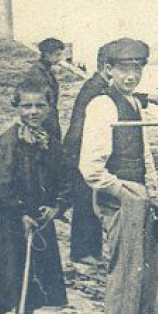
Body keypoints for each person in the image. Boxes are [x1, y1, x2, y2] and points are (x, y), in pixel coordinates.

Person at [79, 37, 158, 314]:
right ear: (107, 70)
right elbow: (91, 168)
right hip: (120, 199)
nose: (132, 75)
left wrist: (154, 193)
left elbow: (145, 154)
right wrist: (125, 192)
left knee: (148, 271)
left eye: (137, 68)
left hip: (141, 197)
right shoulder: (103, 105)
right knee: (125, 273)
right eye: (124, 68)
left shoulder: (134, 104)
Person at [0, 78, 67, 314]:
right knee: (4, 282)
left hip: (38, 222)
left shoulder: (49, 141)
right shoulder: (6, 142)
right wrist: (20, 213)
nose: (33, 111)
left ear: (49, 107)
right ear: (16, 106)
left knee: (32, 281)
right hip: (7, 224)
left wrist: (56, 206)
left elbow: (63, 179)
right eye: (27, 105)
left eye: (40, 105)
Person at [62, 53, 114, 265]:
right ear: (107, 67)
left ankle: (91, 251)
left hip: (79, 148)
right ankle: (84, 252)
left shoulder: (95, 85)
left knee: (88, 202)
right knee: (86, 204)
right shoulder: (97, 89)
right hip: (81, 149)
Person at [25, 37, 68, 148]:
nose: (60, 58)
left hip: (50, 120)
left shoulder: (46, 71)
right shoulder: (37, 74)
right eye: (57, 55)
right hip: (44, 123)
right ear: (47, 54)